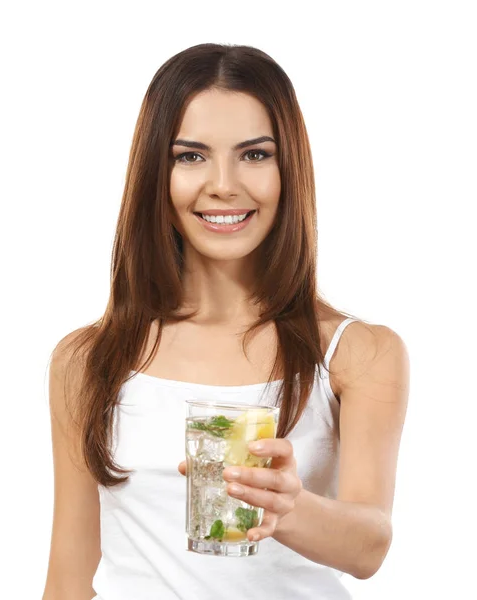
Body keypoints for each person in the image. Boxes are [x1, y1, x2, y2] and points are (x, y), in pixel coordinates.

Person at [42, 43, 410, 600]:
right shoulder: (89, 360)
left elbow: (370, 547)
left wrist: (291, 507)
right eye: (190, 156)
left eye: (255, 155)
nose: (224, 184)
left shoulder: (357, 353)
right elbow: (69, 581)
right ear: (155, 176)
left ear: (289, 170)